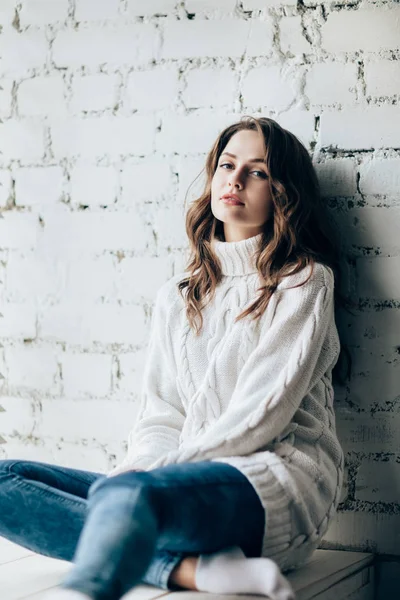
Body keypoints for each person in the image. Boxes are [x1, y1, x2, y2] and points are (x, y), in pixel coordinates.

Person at [0, 116, 348, 600]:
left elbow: (261, 417)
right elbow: (162, 416)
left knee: (124, 495)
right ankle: (191, 571)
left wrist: (145, 480)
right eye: (227, 165)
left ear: (282, 193)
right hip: (176, 482)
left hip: (275, 480)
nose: (235, 180)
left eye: (258, 172)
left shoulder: (302, 282)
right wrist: (140, 466)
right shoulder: (178, 296)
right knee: (5, 481)